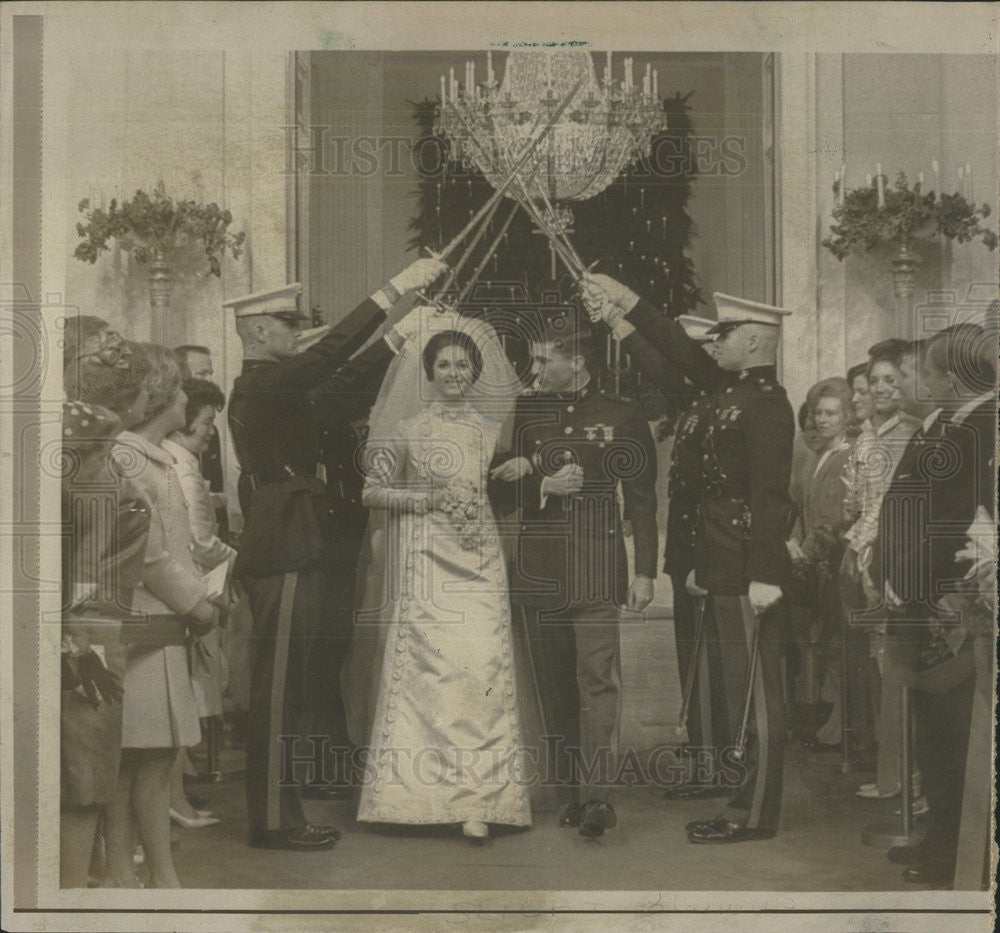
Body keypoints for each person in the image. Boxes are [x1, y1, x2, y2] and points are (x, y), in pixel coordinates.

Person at [226, 258, 445, 852]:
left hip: (298, 538)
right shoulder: (261, 384)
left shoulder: (280, 389)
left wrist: (401, 335)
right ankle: (273, 821)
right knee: (277, 693)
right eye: (287, 325)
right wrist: (394, 292)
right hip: (287, 540)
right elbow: (325, 362)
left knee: (292, 688)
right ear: (259, 332)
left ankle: (283, 811)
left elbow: (342, 384)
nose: (298, 334)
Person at [583, 274, 794, 845]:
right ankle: (735, 790)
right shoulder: (729, 393)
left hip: (748, 565)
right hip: (721, 560)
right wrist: (624, 306)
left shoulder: (769, 406)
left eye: (725, 334)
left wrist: (768, 574)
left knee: (757, 696)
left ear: (752, 341)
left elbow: (772, 497)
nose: (714, 344)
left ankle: (754, 813)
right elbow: (673, 353)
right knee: (732, 686)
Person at [355, 314, 531, 845]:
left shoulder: (489, 430)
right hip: (425, 561)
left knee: (480, 669)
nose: (453, 372)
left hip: (479, 562)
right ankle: (412, 797)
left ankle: (479, 801)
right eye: (444, 364)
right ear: (427, 372)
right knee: (428, 673)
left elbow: (493, 490)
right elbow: (370, 492)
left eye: (462, 364)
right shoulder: (407, 430)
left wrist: (519, 468)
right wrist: (426, 499)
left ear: (474, 372)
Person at [489, 314, 658, 839]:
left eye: (544, 360)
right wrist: (541, 484)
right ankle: (569, 792)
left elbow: (644, 499)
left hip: (596, 567)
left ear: (577, 361)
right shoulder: (523, 413)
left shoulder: (622, 415)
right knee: (555, 687)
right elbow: (493, 491)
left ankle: (598, 798)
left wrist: (646, 570)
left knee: (597, 681)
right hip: (539, 569)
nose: (533, 370)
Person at [870, 326, 996, 887]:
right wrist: (885, 571)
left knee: (954, 731)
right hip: (918, 597)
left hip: (950, 602)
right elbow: (902, 506)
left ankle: (952, 849)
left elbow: (953, 523)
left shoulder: (983, 427)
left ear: (951, 377)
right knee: (935, 729)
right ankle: (940, 838)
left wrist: (906, 579)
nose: (913, 381)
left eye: (922, 372)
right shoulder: (947, 423)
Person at [106, 344, 220, 887]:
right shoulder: (129, 457)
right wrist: (195, 603)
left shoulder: (151, 455)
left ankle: (153, 871)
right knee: (140, 760)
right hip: (147, 622)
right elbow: (146, 552)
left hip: (163, 621)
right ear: (158, 397)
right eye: (177, 389)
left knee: (153, 758)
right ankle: (138, 875)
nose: (184, 397)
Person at [625, 314, 735, 798]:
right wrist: (621, 327)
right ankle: (701, 755)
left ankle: (718, 763)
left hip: (709, 561)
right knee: (693, 663)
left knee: (712, 668)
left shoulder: (721, 404)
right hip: (688, 559)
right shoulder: (695, 405)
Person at [842, 340, 921, 799]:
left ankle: (905, 776)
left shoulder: (908, 432)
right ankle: (893, 771)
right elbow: (856, 500)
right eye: (876, 381)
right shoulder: (870, 433)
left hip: (885, 551)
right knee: (879, 664)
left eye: (892, 380)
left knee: (895, 666)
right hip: (867, 552)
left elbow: (890, 504)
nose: (883, 388)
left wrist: (864, 546)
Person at [163, 378, 234, 828]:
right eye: (207, 421)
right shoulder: (182, 466)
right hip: (185, 587)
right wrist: (238, 560)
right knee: (180, 698)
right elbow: (200, 539)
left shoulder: (179, 459)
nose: (210, 430)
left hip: (180, 584)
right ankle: (174, 797)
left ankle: (177, 791)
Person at [787, 377, 859, 752]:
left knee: (835, 643)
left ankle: (844, 723)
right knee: (825, 642)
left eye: (832, 412)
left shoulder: (848, 455)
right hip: (814, 559)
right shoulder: (821, 454)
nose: (824, 419)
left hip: (830, 560)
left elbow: (833, 518)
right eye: (819, 412)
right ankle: (836, 719)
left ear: (847, 415)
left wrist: (806, 554)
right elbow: (806, 508)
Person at [174, 345, 228, 536]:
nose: (211, 381)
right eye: (202, 374)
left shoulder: (209, 432)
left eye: (211, 373)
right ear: (179, 376)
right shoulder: (165, 428)